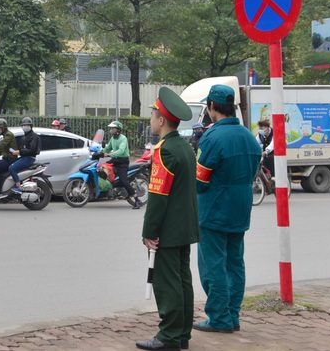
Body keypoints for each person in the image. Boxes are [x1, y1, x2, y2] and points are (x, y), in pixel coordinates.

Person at [193, 84, 261, 334]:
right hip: (241, 210)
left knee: (213, 266)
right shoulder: (248, 136)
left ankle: (219, 318)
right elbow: (253, 174)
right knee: (235, 263)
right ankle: (232, 315)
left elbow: (200, 181)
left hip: (214, 210)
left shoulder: (212, 138)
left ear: (212, 106)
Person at [136, 87, 197, 351]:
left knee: (167, 282)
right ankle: (181, 334)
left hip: (169, 229)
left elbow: (158, 196)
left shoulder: (164, 151)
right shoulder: (184, 147)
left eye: (152, 115)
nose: (150, 119)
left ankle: (169, 337)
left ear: (161, 120)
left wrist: (149, 231)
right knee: (183, 280)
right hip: (186, 227)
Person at [103, 119, 141, 209]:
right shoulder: (113, 138)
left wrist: (109, 154)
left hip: (122, 162)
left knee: (124, 181)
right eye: (111, 128)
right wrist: (100, 152)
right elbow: (107, 148)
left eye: (113, 128)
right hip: (115, 160)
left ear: (118, 129)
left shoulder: (123, 138)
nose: (111, 130)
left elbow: (121, 150)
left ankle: (136, 199)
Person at [7, 117, 40, 194]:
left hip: (29, 158)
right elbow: (21, 149)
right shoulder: (24, 137)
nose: (25, 126)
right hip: (24, 157)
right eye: (24, 125)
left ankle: (18, 187)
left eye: (27, 125)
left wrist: (19, 152)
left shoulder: (34, 136)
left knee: (12, 168)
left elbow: (32, 150)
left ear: (31, 126)